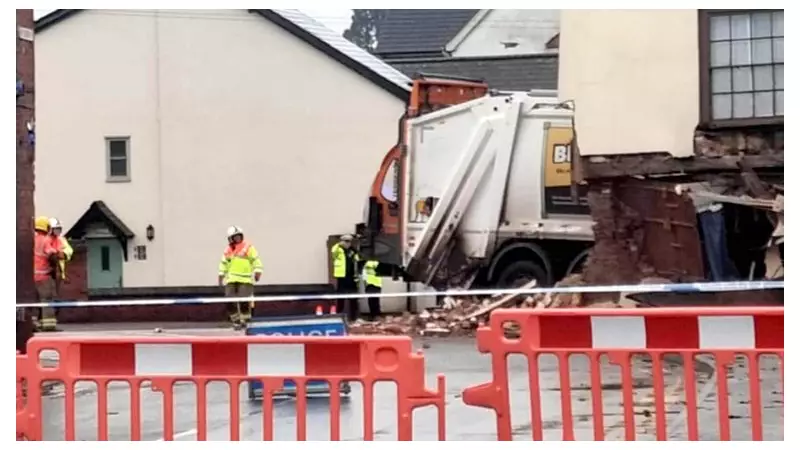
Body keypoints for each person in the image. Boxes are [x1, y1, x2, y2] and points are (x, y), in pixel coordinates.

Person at [218, 226, 263, 330]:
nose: (238, 238)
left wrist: (258, 272)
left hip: (245, 279)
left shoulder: (248, 247)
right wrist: (220, 277)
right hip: (231, 279)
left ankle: (246, 321)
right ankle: (236, 321)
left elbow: (256, 260)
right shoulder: (228, 250)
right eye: (235, 236)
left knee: (244, 301)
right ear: (230, 238)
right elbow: (223, 264)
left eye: (239, 236)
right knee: (229, 301)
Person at [33, 216, 62, 332]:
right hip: (44, 276)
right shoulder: (45, 240)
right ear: (46, 227)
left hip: (32, 276)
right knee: (47, 300)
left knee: (35, 302)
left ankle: (35, 324)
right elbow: (52, 254)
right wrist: (59, 256)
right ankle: (49, 326)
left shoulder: (32, 240)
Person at [331, 234, 360, 321]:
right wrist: (339, 244)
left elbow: (358, 259)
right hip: (342, 276)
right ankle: (339, 315)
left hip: (352, 276)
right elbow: (333, 251)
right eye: (346, 241)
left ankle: (354, 317)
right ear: (342, 241)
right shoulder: (338, 249)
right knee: (341, 296)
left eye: (349, 241)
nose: (348, 243)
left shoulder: (352, 250)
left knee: (353, 297)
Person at [49, 218, 73, 283]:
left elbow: (69, 250)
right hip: (47, 274)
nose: (58, 231)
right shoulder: (45, 240)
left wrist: (64, 254)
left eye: (58, 229)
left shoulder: (61, 239)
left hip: (58, 272)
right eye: (55, 229)